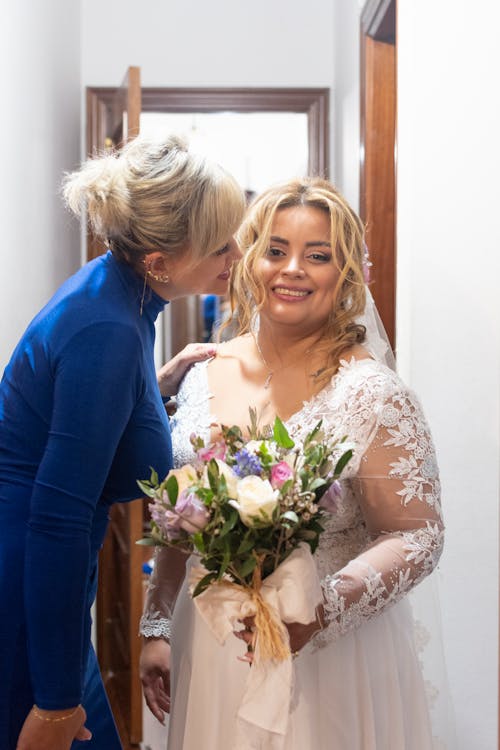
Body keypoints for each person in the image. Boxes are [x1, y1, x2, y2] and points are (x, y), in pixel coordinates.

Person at [139, 177, 447, 749]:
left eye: (318, 255)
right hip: (206, 647)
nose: (292, 269)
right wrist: (156, 624)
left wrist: (319, 612)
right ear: (248, 259)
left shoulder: (371, 393)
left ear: (347, 273)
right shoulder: (202, 371)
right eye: (275, 250)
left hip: (326, 662)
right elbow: (183, 513)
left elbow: (417, 535)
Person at [0, 134, 245, 750]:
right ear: (161, 260)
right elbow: (57, 517)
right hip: (27, 584)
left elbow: (83, 408)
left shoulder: (119, 291)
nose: (236, 255)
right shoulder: (109, 330)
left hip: (40, 574)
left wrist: (153, 387)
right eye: (219, 245)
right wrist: (54, 705)